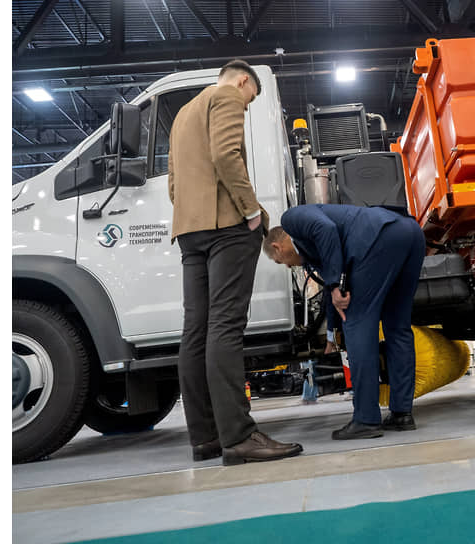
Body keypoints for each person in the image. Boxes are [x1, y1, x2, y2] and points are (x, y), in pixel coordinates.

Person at [168, 59, 302, 465]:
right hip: (226, 227)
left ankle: (206, 438)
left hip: (189, 231)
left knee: (196, 331)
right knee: (225, 327)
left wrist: (195, 216)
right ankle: (240, 437)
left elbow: (174, 184)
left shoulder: (182, 114)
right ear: (244, 81)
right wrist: (251, 212)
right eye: (250, 101)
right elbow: (227, 155)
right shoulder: (225, 95)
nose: (245, 107)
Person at [263, 204, 426, 439]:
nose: (287, 266)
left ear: (277, 246)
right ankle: (402, 414)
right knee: (397, 327)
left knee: (358, 325)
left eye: (279, 261)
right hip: (409, 233)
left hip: (377, 237)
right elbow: (332, 298)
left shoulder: (292, 219)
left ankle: (366, 419)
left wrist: (335, 283)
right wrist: (330, 335)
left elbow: (325, 228)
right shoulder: (314, 254)